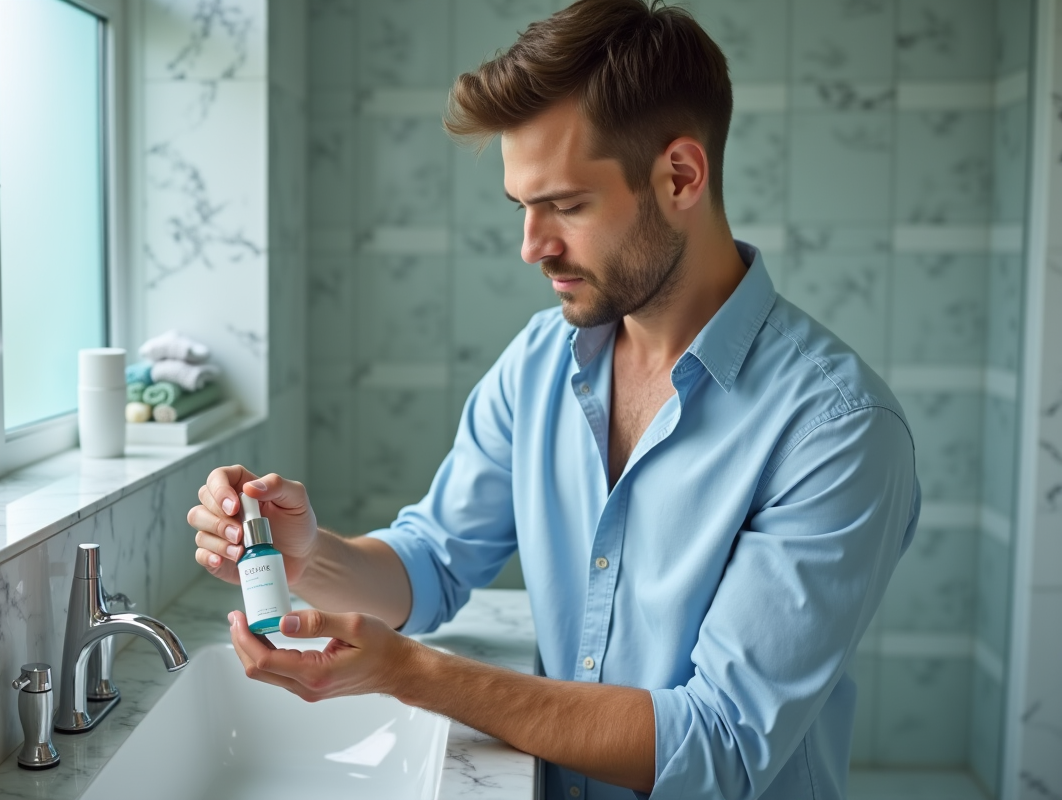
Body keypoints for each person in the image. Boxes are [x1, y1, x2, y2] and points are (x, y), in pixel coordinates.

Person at [187, 0, 920, 797]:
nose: (532, 245)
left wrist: (413, 674)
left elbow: (720, 745)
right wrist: (307, 554)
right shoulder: (539, 361)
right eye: (522, 207)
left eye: (566, 205)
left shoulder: (838, 430)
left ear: (680, 175)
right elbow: (431, 564)